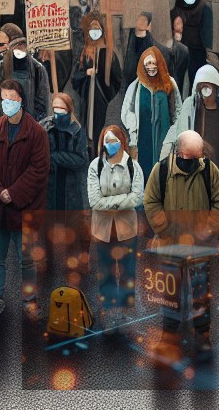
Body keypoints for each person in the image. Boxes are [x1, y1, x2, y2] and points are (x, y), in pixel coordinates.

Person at [0, 77, 48, 322]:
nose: (7, 103)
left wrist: (14, 193)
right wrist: (0, 191)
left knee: (27, 260)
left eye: (12, 99)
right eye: (4, 99)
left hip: (25, 206)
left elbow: (39, 169)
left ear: (21, 101)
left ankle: (29, 300)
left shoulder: (37, 133)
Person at [87, 122, 144, 319]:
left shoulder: (133, 166)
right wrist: (122, 202)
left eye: (113, 141)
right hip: (103, 229)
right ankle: (110, 310)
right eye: (106, 141)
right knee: (106, 272)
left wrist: (108, 203)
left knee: (128, 271)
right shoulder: (95, 166)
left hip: (127, 230)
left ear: (121, 142)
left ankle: (125, 310)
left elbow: (137, 198)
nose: (109, 144)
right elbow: (94, 201)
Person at [143, 130, 219, 246]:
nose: (191, 160)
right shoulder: (161, 170)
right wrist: (163, 230)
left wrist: (209, 229)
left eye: (196, 156)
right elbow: (151, 201)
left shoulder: (209, 169)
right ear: (177, 152)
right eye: (187, 155)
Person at [119, 43, 178, 181]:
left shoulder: (169, 83)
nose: (151, 67)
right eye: (147, 63)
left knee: (164, 172)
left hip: (164, 136)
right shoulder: (136, 86)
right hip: (143, 138)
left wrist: (174, 133)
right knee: (144, 174)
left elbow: (177, 110)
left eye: (153, 62)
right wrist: (133, 129)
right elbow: (126, 111)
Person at [73, 11, 127, 142]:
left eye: (97, 29)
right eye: (92, 29)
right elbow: (76, 76)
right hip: (86, 98)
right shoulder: (85, 52)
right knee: (85, 126)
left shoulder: (108, 53)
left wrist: (106, 90)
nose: (95, 32)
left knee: (99, 128)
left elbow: (116, 77)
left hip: (101, 98)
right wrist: (86, 74)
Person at [46, 93, 89, 211]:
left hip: (71, 186)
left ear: (69, 110)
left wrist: (55, 156)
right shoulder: (46, 127)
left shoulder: (77, 131)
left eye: (61, 108)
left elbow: (81, 160)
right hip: (49, 186)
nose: (57, 112)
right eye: (55, 108)